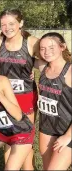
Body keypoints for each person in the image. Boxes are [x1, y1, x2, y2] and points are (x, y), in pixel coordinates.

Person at [0, 9, 39, 170]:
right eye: (3, 24)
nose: (7, 27)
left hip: (26, 96)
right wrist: (2, 78)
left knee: (25, 138)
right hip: (6, 96)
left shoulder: (32, 42)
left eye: (11, 23)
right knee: (9, 137)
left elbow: (47, 60)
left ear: (21, 23)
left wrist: (32, 67)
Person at [34, 32, 71, 170]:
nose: (46, 52)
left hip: (68, 130)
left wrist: (68, 136)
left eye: (51, 47)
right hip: (47, 127)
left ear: (62, 47)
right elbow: (20, 58)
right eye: (42, 48)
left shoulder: (70, 71)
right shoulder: (43, 68)